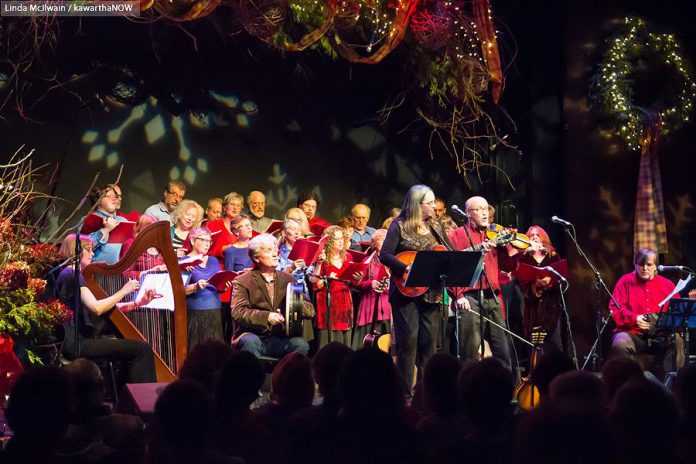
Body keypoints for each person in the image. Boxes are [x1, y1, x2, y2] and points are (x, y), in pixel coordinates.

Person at [380, 184, 453, 397]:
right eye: (429, 203)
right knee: (408, 342)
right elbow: (385, 255)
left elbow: (448, 251)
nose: (433, 206)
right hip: (406, 292)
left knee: (429, 343)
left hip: (432, 291)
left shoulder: (436, 226)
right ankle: (404, 394)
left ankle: (425, 393)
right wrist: (405, 267)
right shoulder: (399, 225)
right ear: (416, 204)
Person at [56, 234, 157, 383]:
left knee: (134, 351)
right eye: (88, 249)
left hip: (81, 340)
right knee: (142, 349)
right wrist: (124, 291)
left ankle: (125, 397)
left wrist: (138, 303)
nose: (92, 254)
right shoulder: (72, 275)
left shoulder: (70, 274)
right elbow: (97, 308)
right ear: (75, 251)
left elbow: (103, 307)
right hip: (77, 344)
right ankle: (140, 402)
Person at [448, 195, 514, 367]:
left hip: (492, 297)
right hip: (469, 298)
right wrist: (458, 295)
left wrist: (516, 250)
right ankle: (467, 390)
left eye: (486, 209)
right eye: (479, 210)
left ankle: (506, 389)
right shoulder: (457, 235)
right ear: (468, 213)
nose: (485, 214)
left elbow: (507, 266)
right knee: (469, 352)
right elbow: (449, 267)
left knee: (503, 350)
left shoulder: (494, 234)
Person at [231, 234, 315, 358]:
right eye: (268, 251)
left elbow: (310, 311)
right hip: (253, 334)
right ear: (256, 258)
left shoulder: (288, 279)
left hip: (280, 336)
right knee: (250, 342)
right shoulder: (243, 281)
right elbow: (238, 312)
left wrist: (294, 302)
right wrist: (267, 317)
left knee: (300, 344)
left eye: (275, 250)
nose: (275, 254)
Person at [609, 248, 677, 371]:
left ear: (655, 266)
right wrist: (635, 318)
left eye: (649, 264)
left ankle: (671, 386)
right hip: (633, 333)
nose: (645, 268)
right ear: (635, 265)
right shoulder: (625, 282)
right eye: (641, 264)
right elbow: (615, 309)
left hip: (660, 335)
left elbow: (677, 311)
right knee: (620, 342)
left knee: (677, 340)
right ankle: (625, 387)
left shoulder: (667, 285)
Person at [308, 225, 361, 348]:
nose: (341, 241)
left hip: (344, 300)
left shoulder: (347, 257)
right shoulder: (321, 258)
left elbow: (352, 283)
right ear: (329, 241)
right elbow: (316, 283)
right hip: (327, 302)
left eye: (342, 238)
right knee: (326, 340)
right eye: (337, 239)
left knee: (344, 341)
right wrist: (321, 266)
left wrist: (357, 279)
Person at [514, 225, 565, 352]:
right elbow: (521, 282)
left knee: (555, 346)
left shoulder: (552, 255)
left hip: (551, 309)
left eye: (538, 235)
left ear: (543, 238)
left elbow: (561, 278)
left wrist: (549, 283)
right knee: (535, 349)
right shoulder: (523, 257)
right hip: (533, 311)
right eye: (532, 235)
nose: (535, 237)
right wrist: (535, 285)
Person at [183, 228, 225, 349]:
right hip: (195, 312)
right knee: (197, 351)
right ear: (192, 241)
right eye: (203, 240)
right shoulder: (184, 262)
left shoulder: (213, 260)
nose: (207, 244)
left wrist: (224, 285)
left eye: (209, 241)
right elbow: (179, 291)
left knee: (215, 352)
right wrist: (195, 286)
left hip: (215, 310)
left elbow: (218, 286)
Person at [353, 229, 391, 349]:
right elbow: (357, 284)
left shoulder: (393, 260)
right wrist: (370, 283)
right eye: (381, 241)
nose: (384, 244)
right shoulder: (367, 261)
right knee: (367, 344)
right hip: (369, 305)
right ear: (374, 244)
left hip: (387, 305)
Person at [84, 183, 130, 264]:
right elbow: (82, 247)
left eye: (118, 196)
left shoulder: (123, 221)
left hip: (116, 272)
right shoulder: (88, 220)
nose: (116, 199)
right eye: (109, 196)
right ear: (98, 200)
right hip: (93, 272)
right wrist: (106, 230)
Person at [207, 192, 243, 259]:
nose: (235, 208)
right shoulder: (214, 225)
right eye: (232, 204)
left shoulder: (243, 227)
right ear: (224, 207)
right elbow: (207, 251)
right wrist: (225, 248)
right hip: (218, 264)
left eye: (238, 205)